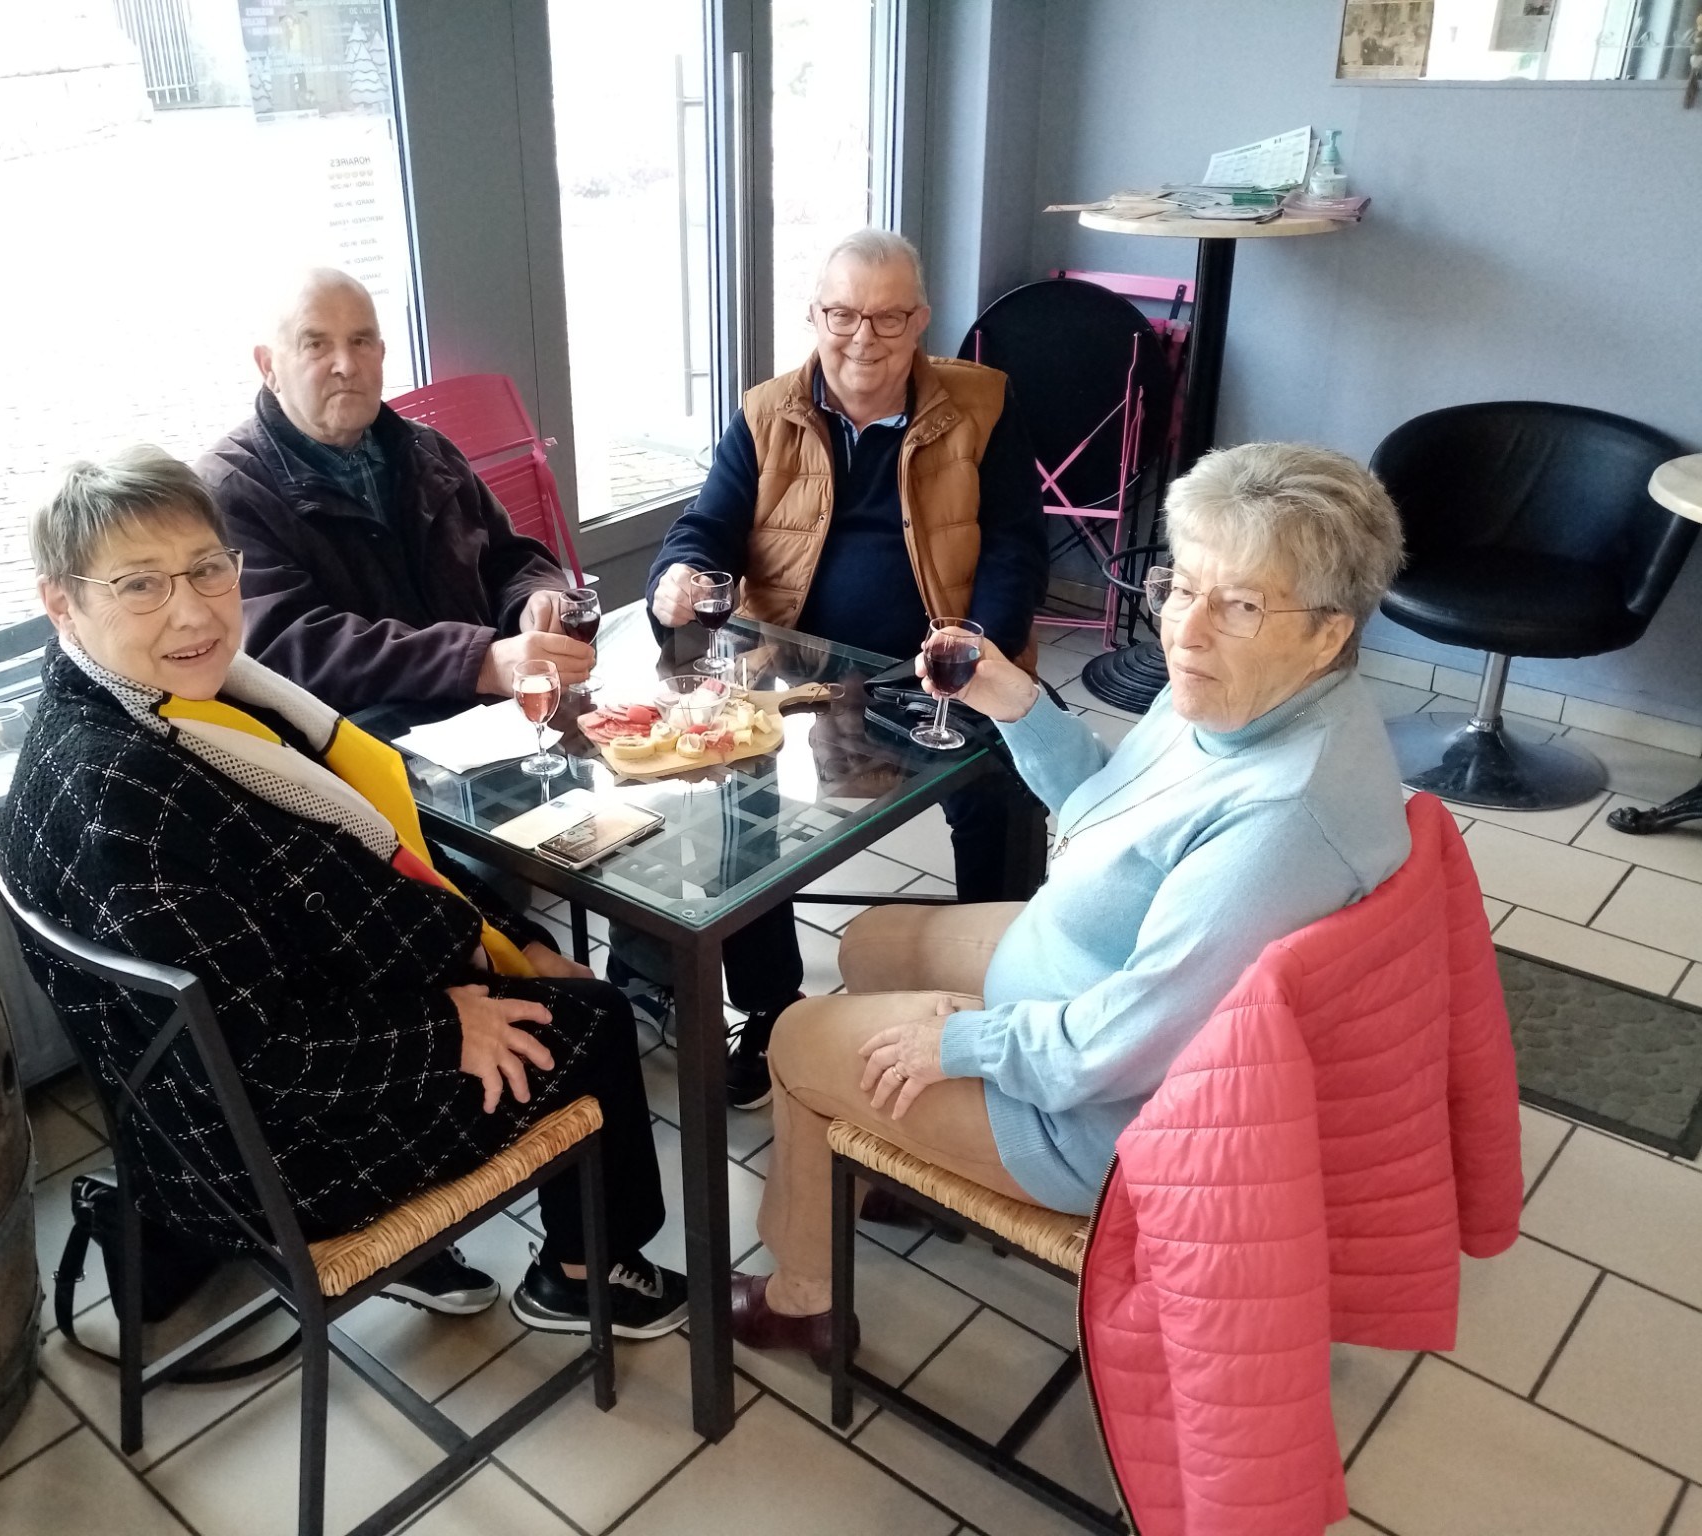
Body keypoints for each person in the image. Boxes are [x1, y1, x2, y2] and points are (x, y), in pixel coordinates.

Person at [728, 442, 1410, 1360]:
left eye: (1242, 604)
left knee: (797, 1037)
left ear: (1329, 633)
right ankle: (904, 1169)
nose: (1186, 631)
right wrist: (1018, 703)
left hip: (1097, 1115)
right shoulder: (1246, 695)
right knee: (872, 943)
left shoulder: (1281, 822)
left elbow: (1122, 1045)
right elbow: (1109, 811)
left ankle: (802, 1297)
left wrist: (963, 1043)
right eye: (1182, 587)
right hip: (1085, 973)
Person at [0, 447, 686, 1339]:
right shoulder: (126, 794)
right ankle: (582, 1275)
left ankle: (443, 1253)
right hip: (272, 1152)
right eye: (140, 586)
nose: (193, 611)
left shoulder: (147, 703)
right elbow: (256, 1056)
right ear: (62, 602)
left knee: (537, 952)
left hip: (247, 1070)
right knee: (593, 1022)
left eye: (207, 569)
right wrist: (449, 1027)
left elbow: (374, 846)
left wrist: (510, 940)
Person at [633, 228, 1051, 1109]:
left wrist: (981, 645)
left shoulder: (984, 404)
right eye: (843, 314)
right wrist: (677, 573)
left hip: (940, 666)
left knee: (1005, 786)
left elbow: (1016, 543)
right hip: (797, 673)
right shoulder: (766, 412)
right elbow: (707, 526)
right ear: (815, 315)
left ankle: (996, 990)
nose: (864, 338)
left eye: (889, 317)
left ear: (922, 320)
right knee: (737, 794)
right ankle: (770, 1008)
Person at [195, 268, 593, 712]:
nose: (346, 365)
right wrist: (477, 662)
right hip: (357, 740)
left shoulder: (429, 449)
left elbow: (509, 557)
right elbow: (289, 647)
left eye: (361, 341)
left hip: (487, 720)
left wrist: (535, 597)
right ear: (269, 367)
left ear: (382, 354)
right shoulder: (226, 492)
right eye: (316, 344)